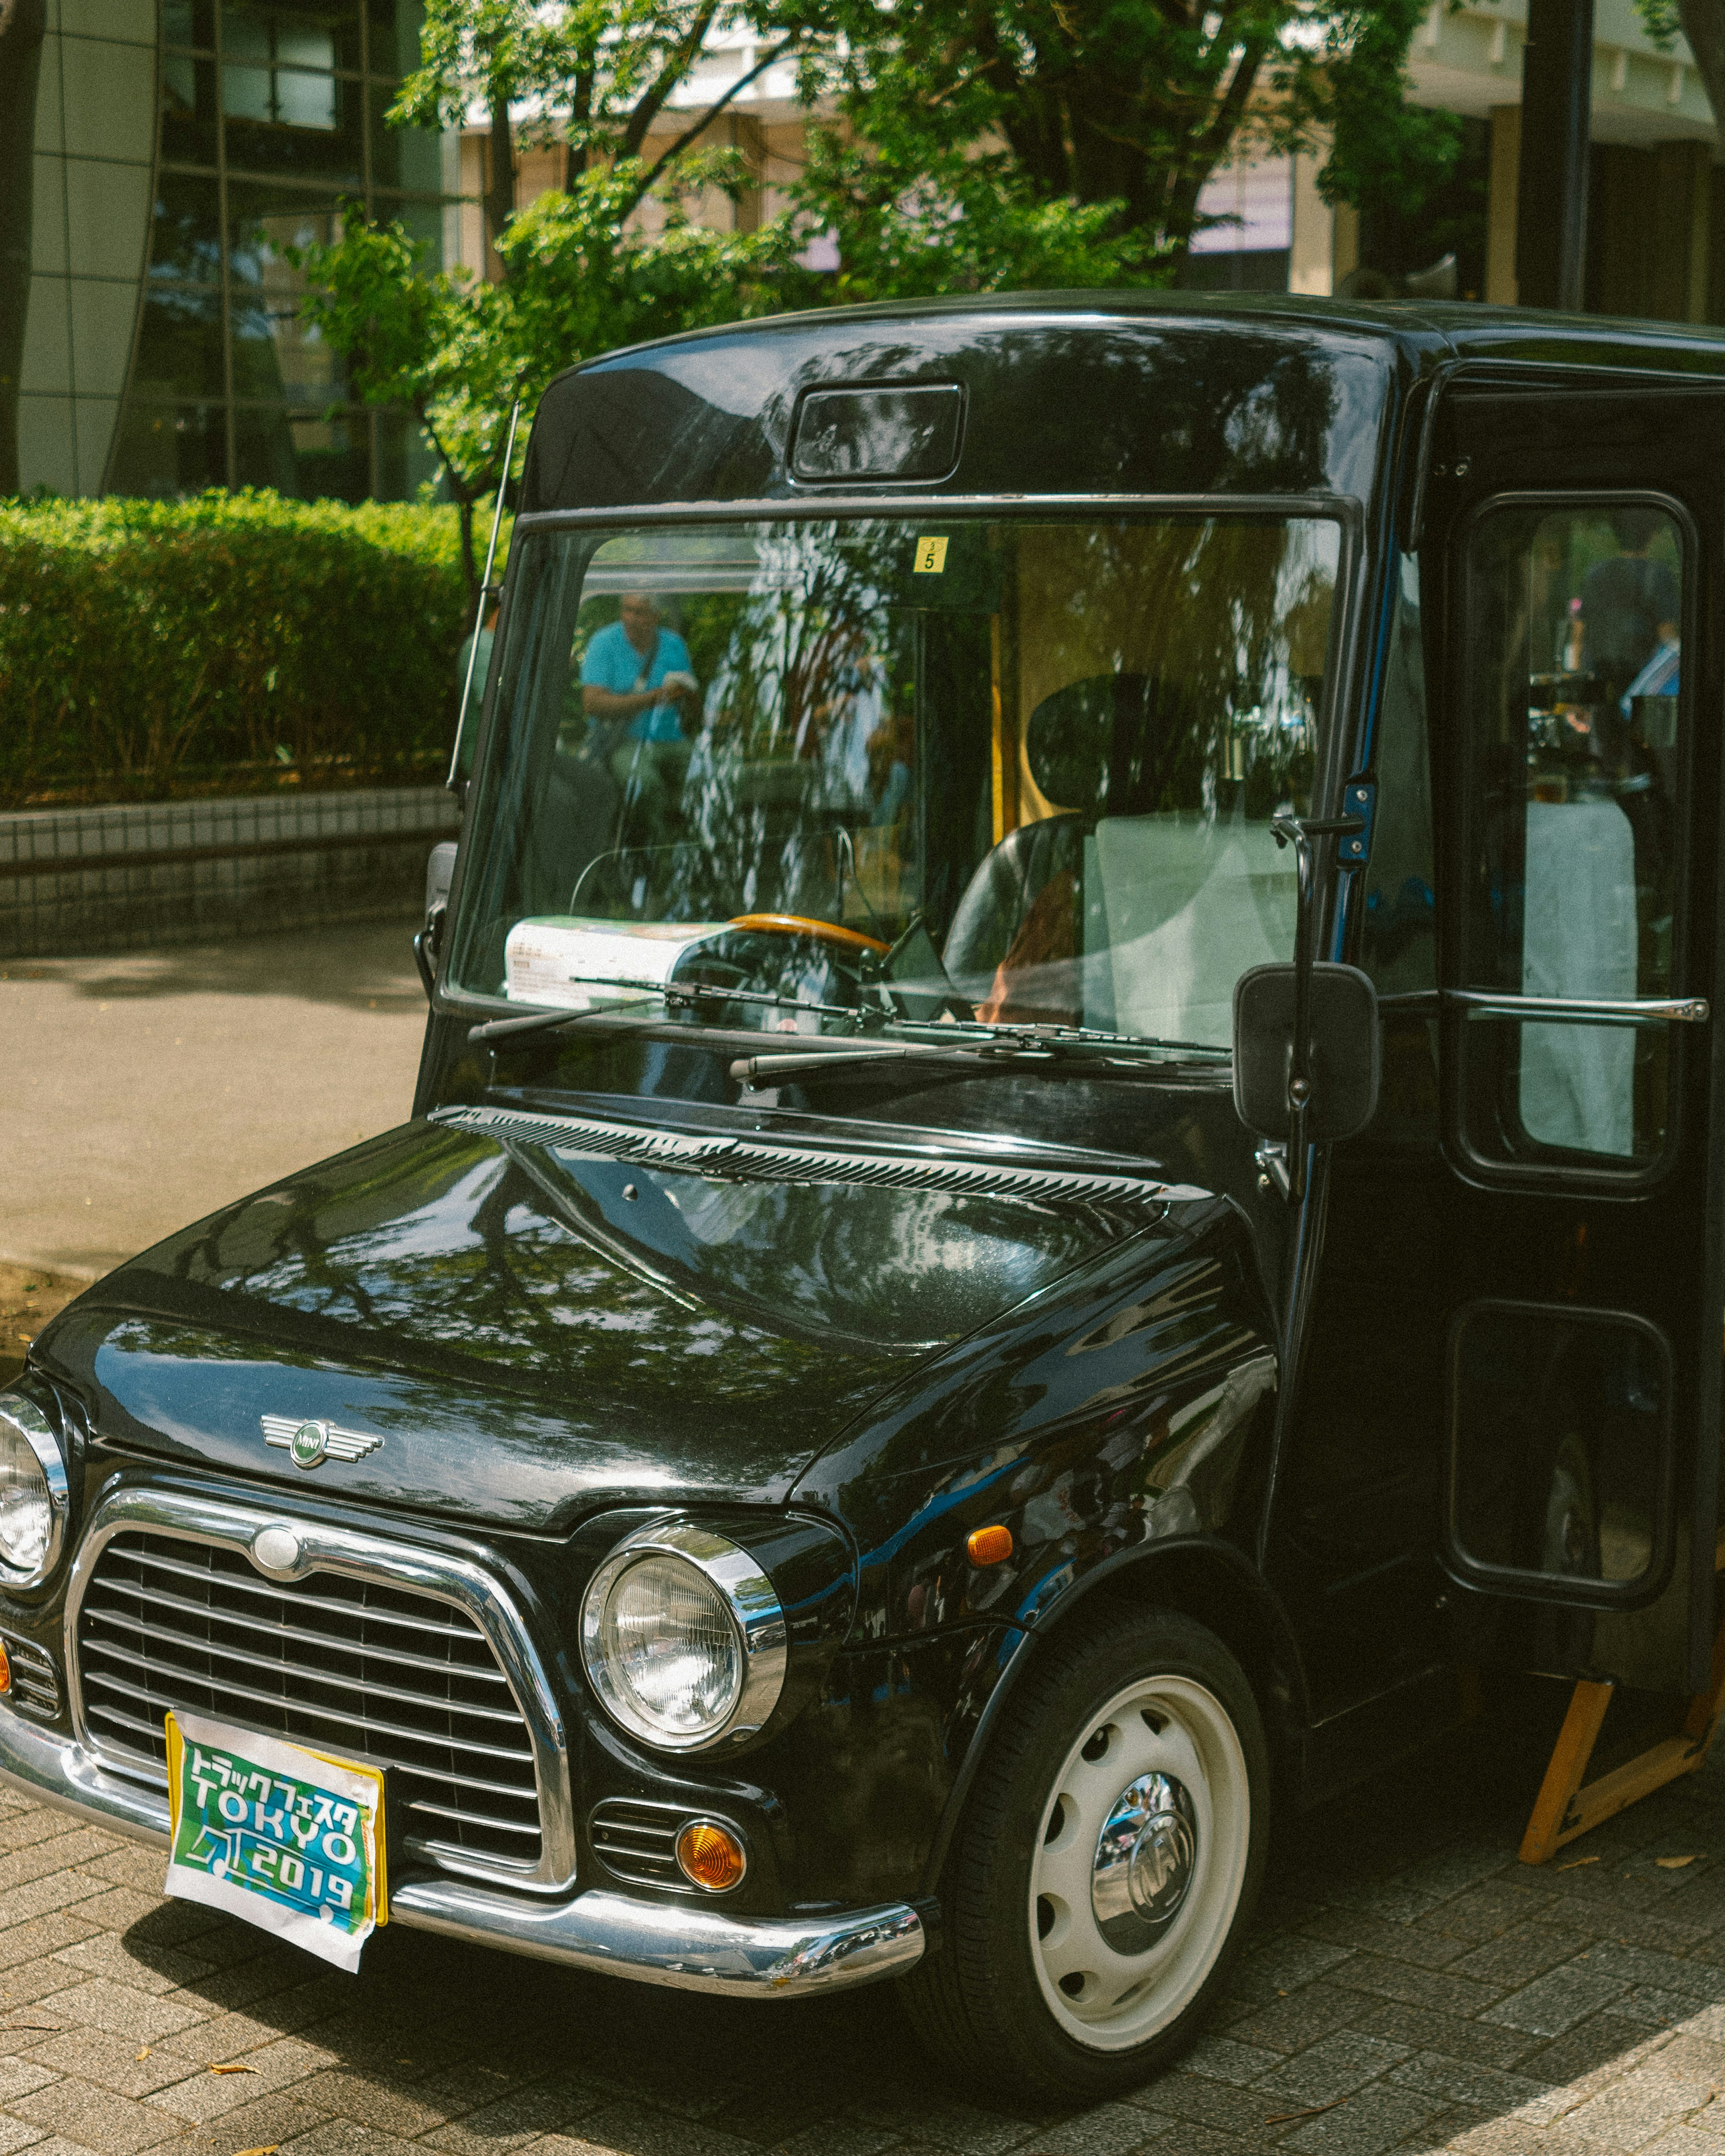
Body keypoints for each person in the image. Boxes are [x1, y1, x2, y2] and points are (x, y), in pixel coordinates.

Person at [579, 592, 701, 850]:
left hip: (671, 738)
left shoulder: (673, 644)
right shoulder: (604, 642)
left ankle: (702, 848)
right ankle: (657, 854)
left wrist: (685, 694)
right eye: (626, 610)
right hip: (624, 741)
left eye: (639, 612)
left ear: (655, 617)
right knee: (643, 784)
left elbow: (691, 694)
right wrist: (650, 699)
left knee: (715, 773)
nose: (630, 619)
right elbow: (593, 704)